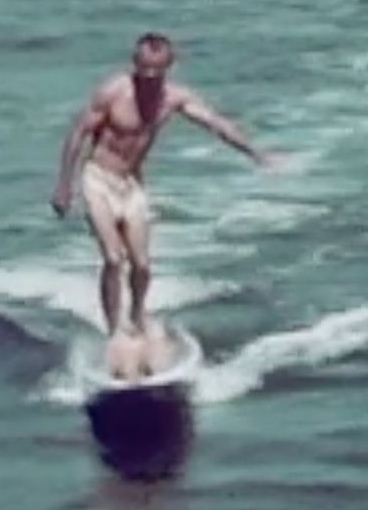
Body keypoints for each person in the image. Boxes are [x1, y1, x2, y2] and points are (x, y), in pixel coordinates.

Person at [51, 32, 285, 379]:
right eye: (142, 69)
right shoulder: (114, 92)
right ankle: (116, 329)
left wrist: (257, 154)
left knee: (142, 265)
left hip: (131, 184)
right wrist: (64, 185)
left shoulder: (174, 99)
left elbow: (216, 124)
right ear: (134, 64)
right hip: (97, 178)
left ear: (168, 68)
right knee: (114, 258)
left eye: (155, 72)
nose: (147, 77)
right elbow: (77, 134)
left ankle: (138, 316)